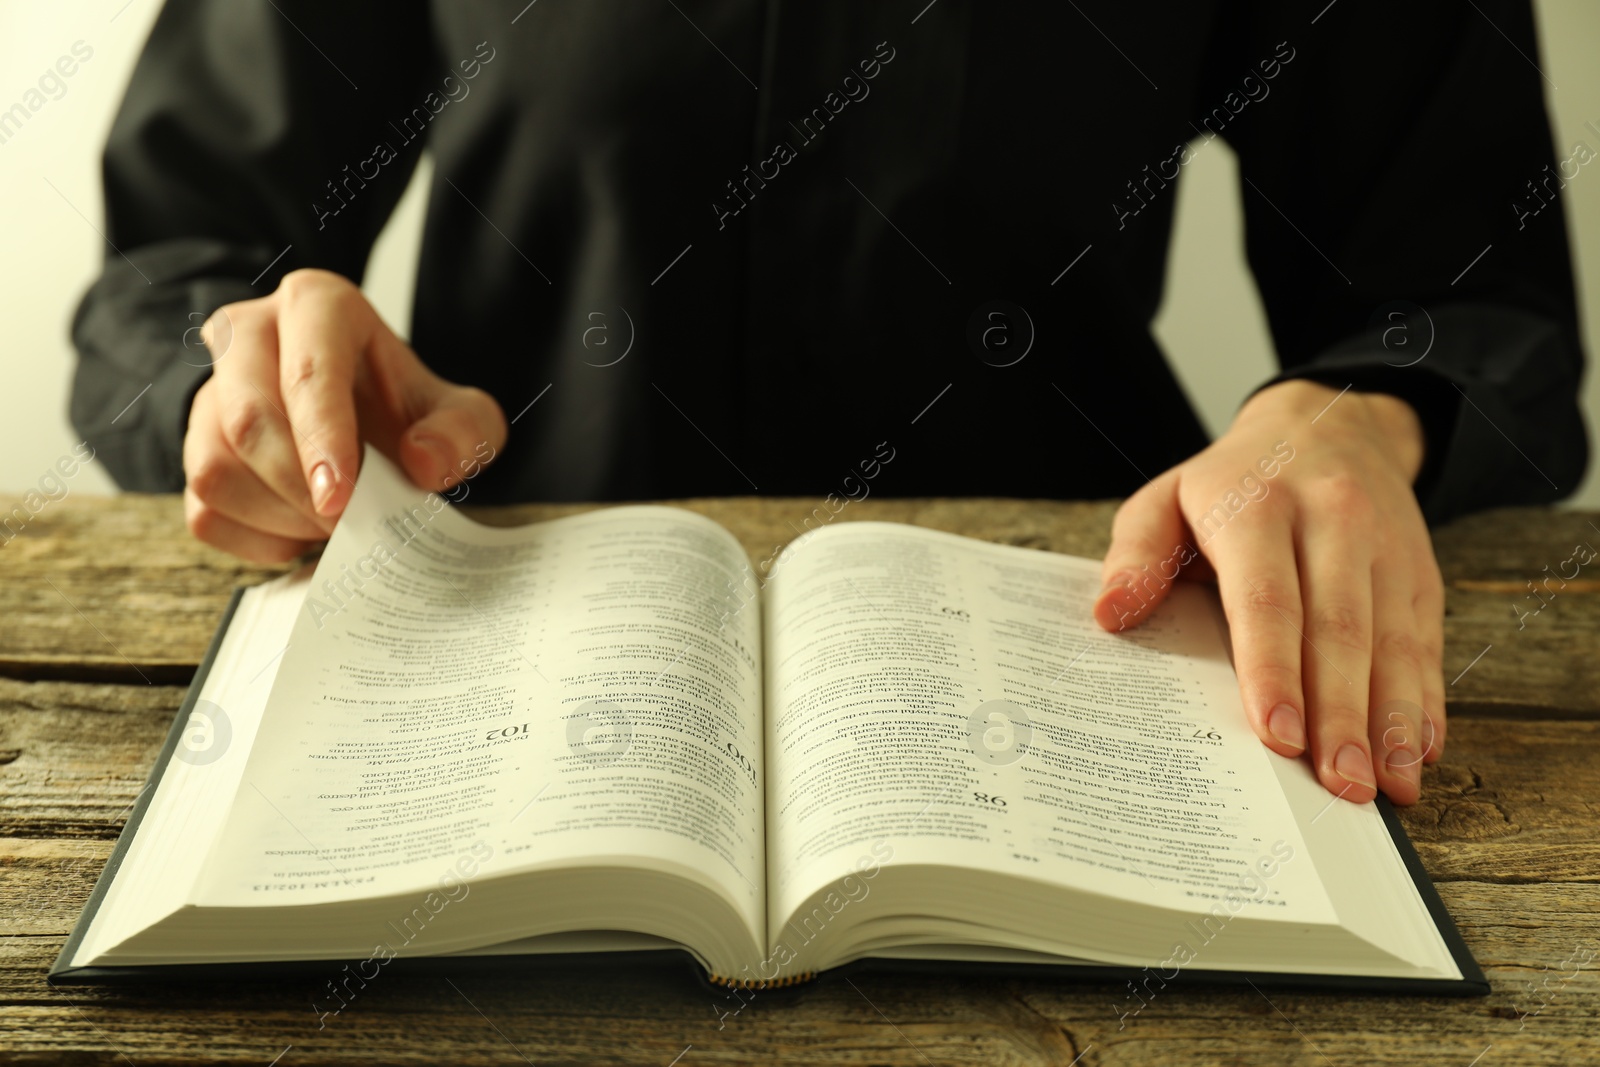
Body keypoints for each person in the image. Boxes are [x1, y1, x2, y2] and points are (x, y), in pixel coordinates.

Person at [71, 0, 1587, 808]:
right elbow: (172, 263)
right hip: (487, 681)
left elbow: (1460, 286)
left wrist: (1355, 413)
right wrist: (251, 377)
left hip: (1097, 681)